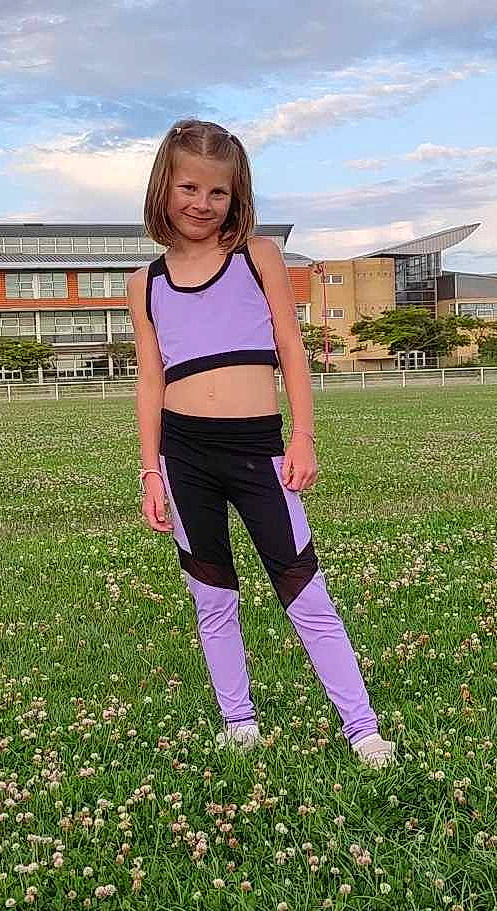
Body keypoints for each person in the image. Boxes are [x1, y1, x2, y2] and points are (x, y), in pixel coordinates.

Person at [126, 117, 395, 768]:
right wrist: (150, 471)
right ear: (164, 186)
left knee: (303, 588)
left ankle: (362, 730)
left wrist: (302, 436)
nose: (201, 203)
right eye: (188, 187)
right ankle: (237, 721)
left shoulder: (258, 256)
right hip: (182, 454)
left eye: (217, 193)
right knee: (211, 593)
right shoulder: (146, 283)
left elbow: (290, 351)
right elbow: (149, 376)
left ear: (236, 196)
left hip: (258, 448)